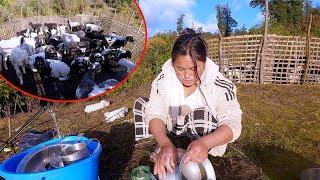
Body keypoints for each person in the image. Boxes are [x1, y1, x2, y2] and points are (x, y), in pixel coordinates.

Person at [144, 28, 242, 178]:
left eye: (194, 68)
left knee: (199, 115)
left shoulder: (220, 85)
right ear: (173, 63)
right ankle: (171, 148)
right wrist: (165, 143)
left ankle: (198, 153)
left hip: (205, 139)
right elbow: (155, 112)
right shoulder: (163, 80)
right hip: (174, 132)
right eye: (180, 69)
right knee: (142, 104)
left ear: (204, 62)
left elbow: (232, 123)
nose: (187, 76)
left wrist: (205, 143)